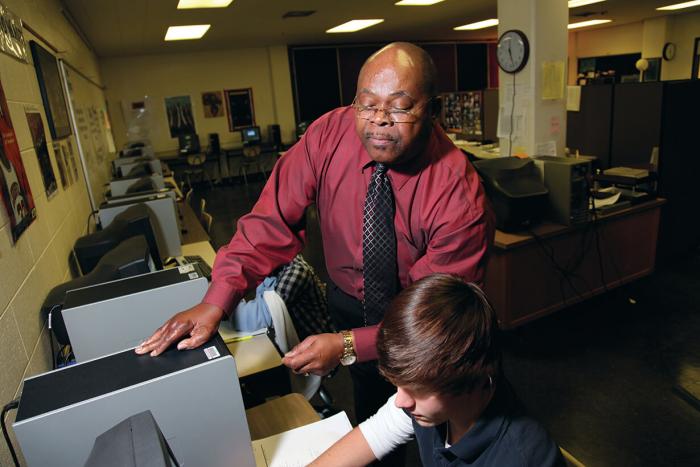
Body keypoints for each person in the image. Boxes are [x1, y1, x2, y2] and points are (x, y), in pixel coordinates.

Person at [136, 42, 494, 434]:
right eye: (367, 104)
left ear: (433, 110)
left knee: (432, 423)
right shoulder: (328, 135)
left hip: (423, 325)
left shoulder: (460, 196)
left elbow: (432, 320)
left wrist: (347, 346)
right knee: (374, 416)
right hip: (348, 304)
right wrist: (216, 301)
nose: (379, 120)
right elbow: (269, 222)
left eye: (399, 106)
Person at [310, 274, 565, 467]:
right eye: (399, 385)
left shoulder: (521, 455)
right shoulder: (432, 399)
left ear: (471, 377)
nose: (400, 401)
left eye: (416, 391)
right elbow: (376, 433)